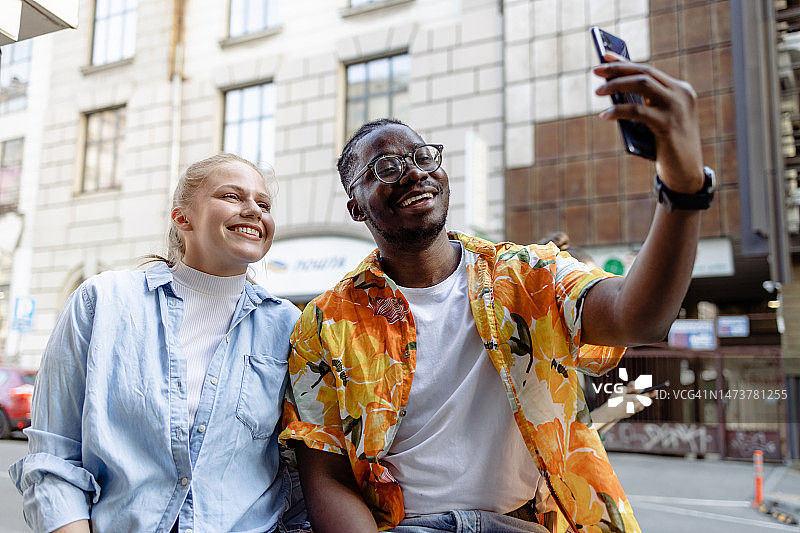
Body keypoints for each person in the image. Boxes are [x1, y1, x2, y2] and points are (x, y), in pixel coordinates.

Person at [280, 53, 712, 533]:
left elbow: (641, 318)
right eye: (385, 167)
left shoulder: (529, 275)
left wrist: (683, 186)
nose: (412, 172)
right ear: (355, 207)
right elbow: (326, 477)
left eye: (422, 157)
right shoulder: (323, 323)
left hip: (528, 522)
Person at [10, 153, 309, 533]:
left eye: (263, 203)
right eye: (232, 196)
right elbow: (54, 457)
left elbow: (301, 471)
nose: (253, 209)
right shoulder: (101, 303)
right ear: (183, 218)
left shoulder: (289, 326)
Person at [536, 233, 657, 436]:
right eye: (583, 285)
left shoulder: (576, 356)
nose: (594, 295)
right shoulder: (539, 361)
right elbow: (561, 441)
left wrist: (618, 407)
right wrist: (611, 410)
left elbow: (591, 439)